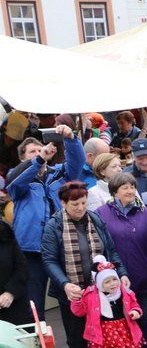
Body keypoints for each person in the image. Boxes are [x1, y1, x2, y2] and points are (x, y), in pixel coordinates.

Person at [41, 181, 127, 348]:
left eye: (83, 203)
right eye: (75, 204)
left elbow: (111, 251)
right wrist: (65, 284)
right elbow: (49, 259)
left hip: (98, 290)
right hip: (71, 291)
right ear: (63, 203)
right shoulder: (54, 225)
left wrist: (122, 273)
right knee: (75, 332)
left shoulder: (95, 219)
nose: (80, 208)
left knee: (98, 329)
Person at [10, 124, 83, 318]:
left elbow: (76, 164)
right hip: (31, 249)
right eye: (32, 152)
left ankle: (79, 343)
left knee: (72, 295)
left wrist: (70, 139)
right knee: (34, 301)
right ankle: (38, 345)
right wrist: (39, 160)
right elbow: (15, 185)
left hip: (62, 243)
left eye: (39, 149)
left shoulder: (57, 173)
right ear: (22, 158)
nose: (38, 153)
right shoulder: (16, 176)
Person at [95, 173, 147, 348]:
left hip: (141, 275)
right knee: (115, 318)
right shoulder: (101, 213)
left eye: (132, 186)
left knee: (141, 314)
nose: (130, 190)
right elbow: (99, 245)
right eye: (125, 187)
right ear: (114, 191)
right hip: (111, 278)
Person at [69, 256, 143, 348]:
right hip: (104, 334)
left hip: (123, 331)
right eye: (107, 282)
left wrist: (136, 312)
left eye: (114, 280)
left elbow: (135, 306)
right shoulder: (91, 295)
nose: (112, 284)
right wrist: (77, 300)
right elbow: (79, 312)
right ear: (100, 283)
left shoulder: (125, 292)